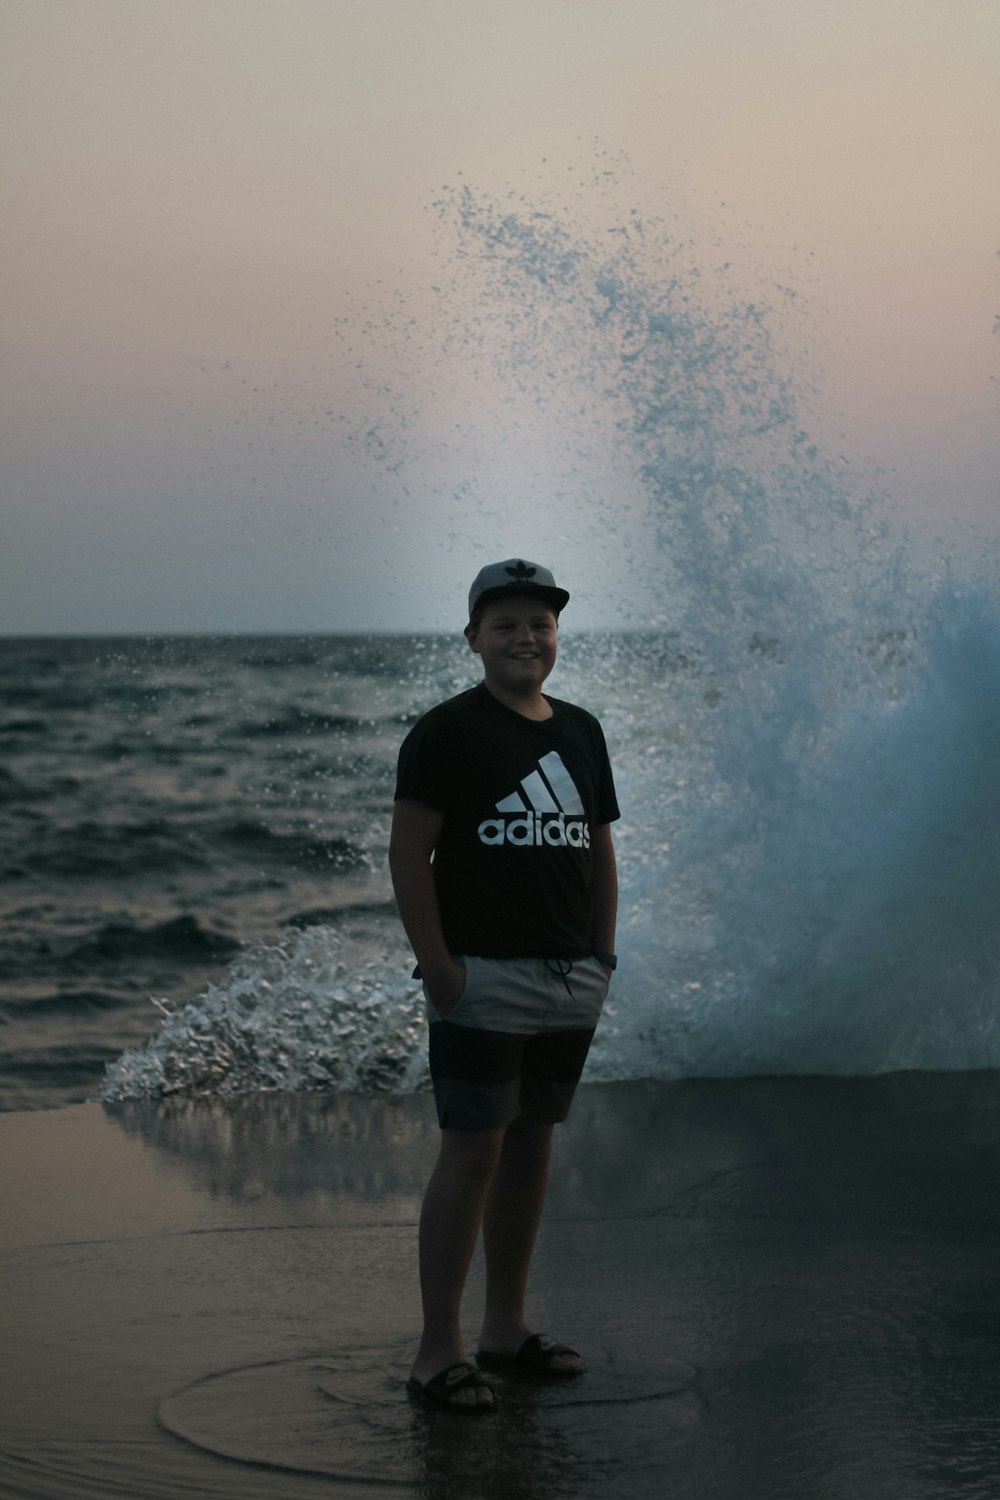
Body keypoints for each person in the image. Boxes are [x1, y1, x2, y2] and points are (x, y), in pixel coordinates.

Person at [389, 558, 619, 1411]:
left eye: (541, 623)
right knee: (474, 1146)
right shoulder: (447, 732)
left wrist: (602, 958)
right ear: (473, 638)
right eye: (507, 624)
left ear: (556, 636)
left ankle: (505, 1327)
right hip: (480, 973)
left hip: (568, 977)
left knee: (530, 1144)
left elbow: (598, 850)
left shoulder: (583, 732)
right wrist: (441, 968)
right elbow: (410, 852)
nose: (527, 637)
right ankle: (436, 1348)